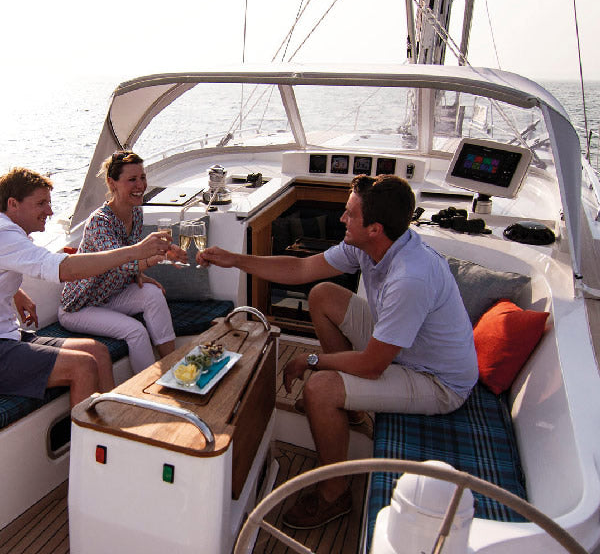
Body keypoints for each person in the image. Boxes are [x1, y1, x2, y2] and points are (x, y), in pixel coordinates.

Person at [197, 174, 478, 529]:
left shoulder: (411, 278)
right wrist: (235, 259)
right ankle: (353, 409)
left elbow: (373, 365)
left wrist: (311, 360)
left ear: (375, 228)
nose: (342, 218)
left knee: (320, 388)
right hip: (403, 349)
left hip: (436, 380)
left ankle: (335, 493)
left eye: (350, 214)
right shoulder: (371, 245)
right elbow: (301, 268)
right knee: (323, 295)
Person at [0, 167, 174, 408]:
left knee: (98, 351)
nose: (49, 211)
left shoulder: (9, 233)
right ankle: (86, 434)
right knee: (82, 365)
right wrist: (135, 251)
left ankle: (113, 420)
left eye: (49, 203)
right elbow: (67, 270)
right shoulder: (5, 235)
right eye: (41, 204)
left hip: (10, 335)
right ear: (13, 204)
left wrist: (16, 293)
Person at [59, 151, 182, 374]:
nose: (140, 185)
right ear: (112, 182)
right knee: (135, 331)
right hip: (81, 306)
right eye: (132, 179)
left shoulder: (136, 214)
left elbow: (131, 258)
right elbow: (119, 261)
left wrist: (139, 275)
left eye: (142, 177)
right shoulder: (99, 222)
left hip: (111, 295)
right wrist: (160, 257)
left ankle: (173, 368)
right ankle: (148, 386)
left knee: (154, 294)